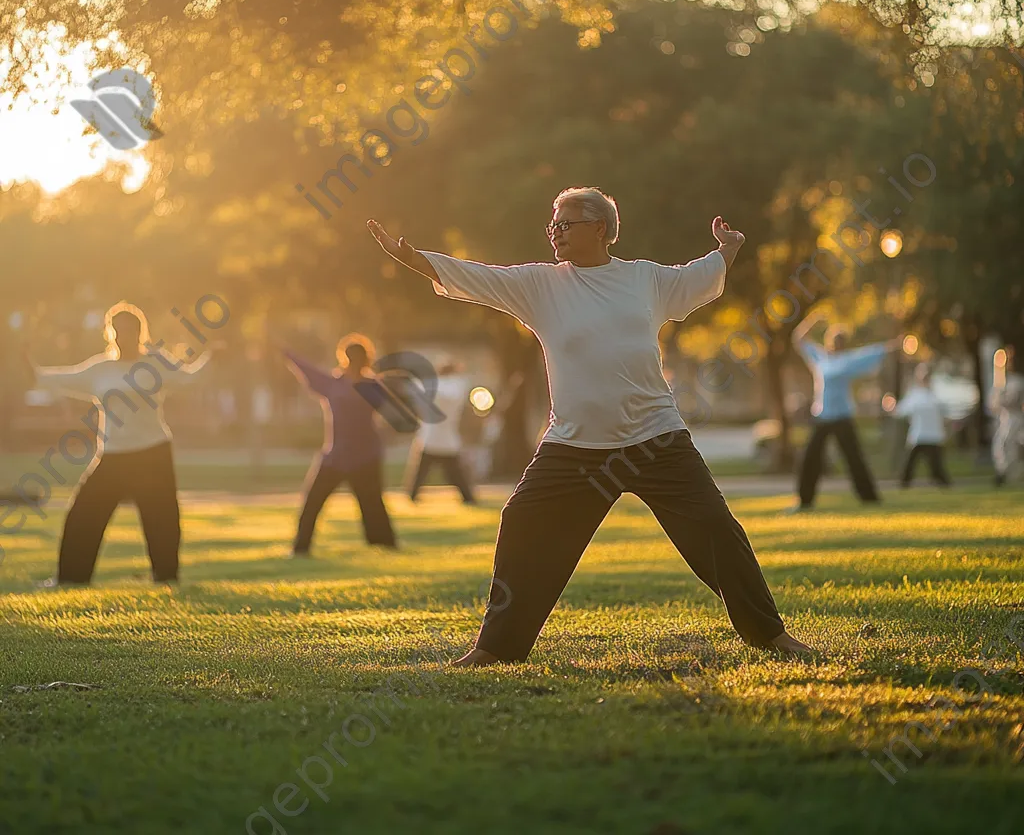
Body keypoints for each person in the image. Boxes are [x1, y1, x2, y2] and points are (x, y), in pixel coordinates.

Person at [367, 186, 813, 666]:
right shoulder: (541, 285)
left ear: (599, 228)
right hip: (574, 446)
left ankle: (769, 635)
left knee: (717, 531)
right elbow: (476, 277)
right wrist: (411, 258)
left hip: (654, 438)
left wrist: (728, 249)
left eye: (565, 224)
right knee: (522, 524)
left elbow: (698, 276)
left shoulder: (645, 279)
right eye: (552, 225)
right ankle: (496, 648)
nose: (554, 233)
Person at [26, 303, 213, 587]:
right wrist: (28, 364)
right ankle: (71, 578)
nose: (124, 335)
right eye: (119, 329)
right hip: (113, 456)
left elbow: (190, 378)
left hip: (153, 453)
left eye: (131, 329)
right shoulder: (100, 369)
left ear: (140, 332)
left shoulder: (156, 363)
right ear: (111, 332)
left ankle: (166, 578)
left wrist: (214, 357)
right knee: (82, 516)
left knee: (162, 520)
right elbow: (60, 378)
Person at [282, 334, 397, 555]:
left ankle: (301, 548)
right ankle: (384, 544)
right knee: (372, 505)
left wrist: (287, 352)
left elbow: (307, 369)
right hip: (358, 456)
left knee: (315, 505)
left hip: (347, 456)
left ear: (344, 357)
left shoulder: (338, 384)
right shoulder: (369, 386)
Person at [790, 307, 897, 512]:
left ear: (843, 344)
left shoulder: (848, 361)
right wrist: (813, 319)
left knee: (854, 458)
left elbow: (871, 353)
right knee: (811, 458)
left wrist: (893, 346)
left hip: (842, 417)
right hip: (823, 417)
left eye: (841, 342)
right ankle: (804, 501)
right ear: (830, 342)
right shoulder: (820, 359)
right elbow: (798, 339)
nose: (837, 345)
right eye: (835, 341)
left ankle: (870, 497)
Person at [407, 362, 477, 504]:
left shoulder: (433, 387)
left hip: (430, 438)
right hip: (447, 439)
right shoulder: (456, 389)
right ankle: (468, 498)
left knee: (421, 473)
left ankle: (412, 495)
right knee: (456, 474)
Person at [893, 364, 952, 488]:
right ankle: (904, 484)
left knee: (936, 466)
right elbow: (901, 411)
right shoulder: (915, 395)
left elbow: (945, 414)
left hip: (934, 436)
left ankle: (943, 483)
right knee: (910, 465)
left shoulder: (935, 395)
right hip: (919, 436)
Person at [991, 344, 1024, 487]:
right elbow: (994, 404)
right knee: (1000, 446)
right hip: (1005, 419)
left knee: (1009, 445)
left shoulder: (1017, 381)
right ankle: (1003, 473)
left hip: (1015, 418)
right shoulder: (1002, 380)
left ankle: (1007, 474)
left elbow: (1010, 401)